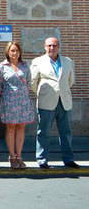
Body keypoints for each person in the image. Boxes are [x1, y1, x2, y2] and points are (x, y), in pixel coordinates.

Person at [31, 37, 79, 169]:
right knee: (43, 132)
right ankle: (42, 159)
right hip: (46, 102)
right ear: (45, 47)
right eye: (49, 45)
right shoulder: (37, 62)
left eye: (55, 45)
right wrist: (44, 93)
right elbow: (33, 82)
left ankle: (68, 159)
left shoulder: (67, 61)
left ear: (59, 46)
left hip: (64, 102)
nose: (52, 48)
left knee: (66, 132)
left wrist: (61, 91)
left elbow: (71, 81)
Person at [0, 41, 34, 169]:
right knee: (11, 127)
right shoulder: (1, 67)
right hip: (9, 100)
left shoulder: (25, 66)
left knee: (21, 127)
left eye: (17, 50)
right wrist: (9, 94)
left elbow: (28, 82)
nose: (15, 53)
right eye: (12, 50)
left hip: (23, 100)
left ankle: (19, 156)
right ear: (7, 52)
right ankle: (12, 156)